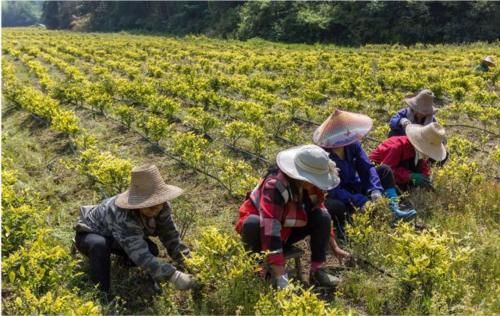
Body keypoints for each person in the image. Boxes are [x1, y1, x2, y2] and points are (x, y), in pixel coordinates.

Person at [74, 164, 197, 301]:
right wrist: (174, 276)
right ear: (138, 203)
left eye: (158, 202)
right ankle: (102, 296)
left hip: (116, 236)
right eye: (149, 205)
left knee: (152, 249)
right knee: (99, 245)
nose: (156, 208)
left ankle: (123, 264)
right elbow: (139, 253)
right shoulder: (122, 214)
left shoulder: (163, 206)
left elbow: (170, 235)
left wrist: (190, 263)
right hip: (91, 232)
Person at [235, 144, 349, 289]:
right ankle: (259, 272)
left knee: (322, 216)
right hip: (261, 232)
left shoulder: (309, 186)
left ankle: (318, 270)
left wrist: (334, 246)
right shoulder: (276, 185)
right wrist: (280, 273)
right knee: (252, 223)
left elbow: (320, 208)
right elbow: (270, 227)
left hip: (287, 228)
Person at [313, 110, 417, 241]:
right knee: (335, 205)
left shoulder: (352, 144)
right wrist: (359, 200)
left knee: (384, 170)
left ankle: (394, 208)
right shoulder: (323, 155)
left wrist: (375, 189)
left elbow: (366, 167)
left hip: (356, 186)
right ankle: (344, 228)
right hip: (340, 195)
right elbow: (331, 189)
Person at [369, 122, 447, 191]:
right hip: (376, 176)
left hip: (397, 170)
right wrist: (410, 176)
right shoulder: (396, 147)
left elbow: (422, 164)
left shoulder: (418, 150)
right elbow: (387, 170)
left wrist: (426, 176)